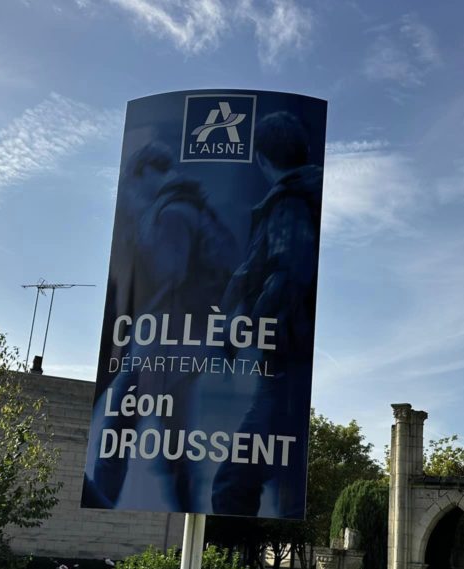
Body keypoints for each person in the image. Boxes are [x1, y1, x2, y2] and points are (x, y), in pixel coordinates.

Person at [83, 141, 238, 511]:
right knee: (174, 446)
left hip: (162, 343)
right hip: (189, 342)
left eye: (137, 181)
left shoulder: (171, 213)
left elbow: (168, 272)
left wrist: (139, 237)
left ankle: (99, 517)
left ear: (147, 172)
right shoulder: (198, 207)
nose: (136, 191)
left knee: (116, 435)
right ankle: (191, 510)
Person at [211, 112, 323, 518]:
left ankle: (230, 564)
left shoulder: (289, 203)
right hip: (286, 364)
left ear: (260, 158)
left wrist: (247, 327)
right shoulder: (298, 197)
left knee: (234, 480)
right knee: (279, 477)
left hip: (286, 366)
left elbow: (289, 270)